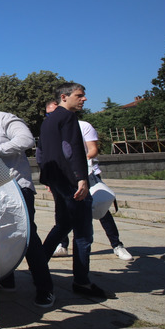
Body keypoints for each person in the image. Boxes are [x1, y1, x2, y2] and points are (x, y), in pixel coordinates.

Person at [0, 92, 54, 308]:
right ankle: (7, 278)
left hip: (17, 187)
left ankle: (45, 288)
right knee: (0, 234)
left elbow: (26, 140)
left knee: (28, 236)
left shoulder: (5, 119)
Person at [39, 84, 111, 299]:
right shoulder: (68, 118)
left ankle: (39, 265)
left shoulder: (49, 120)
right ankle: (81, 281)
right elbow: (73, 150)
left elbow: (42, 153)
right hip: (70, 180)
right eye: (79, 96)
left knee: (63, 224)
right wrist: (81, 178)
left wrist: (49, 178)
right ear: (64, 97)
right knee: (83, 233)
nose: (84, 99)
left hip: (56, 179)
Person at [45, 100, 133, 261]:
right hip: (62, 178)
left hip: (87, 175)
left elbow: (92, 150)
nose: (53, 116)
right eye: (49, 114)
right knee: (62, 213)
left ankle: (117, 245)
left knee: (101, 210)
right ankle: (62, 246)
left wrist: (78, 166)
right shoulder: (52, 129)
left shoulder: (83, 126)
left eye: (54, 112)